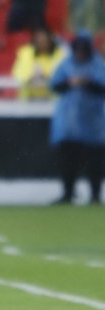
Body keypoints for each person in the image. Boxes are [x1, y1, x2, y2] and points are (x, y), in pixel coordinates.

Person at [48, 34, 105, 205]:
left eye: (83, 51)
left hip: (93, 120)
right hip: (68, 123)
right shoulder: (66, 64)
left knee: (95, 160)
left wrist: (86, 82)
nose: (79, 54)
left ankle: (95, 195)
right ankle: (68, 193)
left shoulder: (97, 65)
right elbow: (55, 85)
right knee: (68, 160)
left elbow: (102, 87)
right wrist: (70, 82)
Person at [11, 27, 66, 101]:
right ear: (34, 42)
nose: (42, 44)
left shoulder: (60, 54)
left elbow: (62, 75)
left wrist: (45, 76)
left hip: (52, 97)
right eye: (39, 42)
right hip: (29, 97)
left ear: (50, 41)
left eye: (45, 41)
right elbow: (18, 73)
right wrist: (31, 77)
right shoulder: (26, 53)